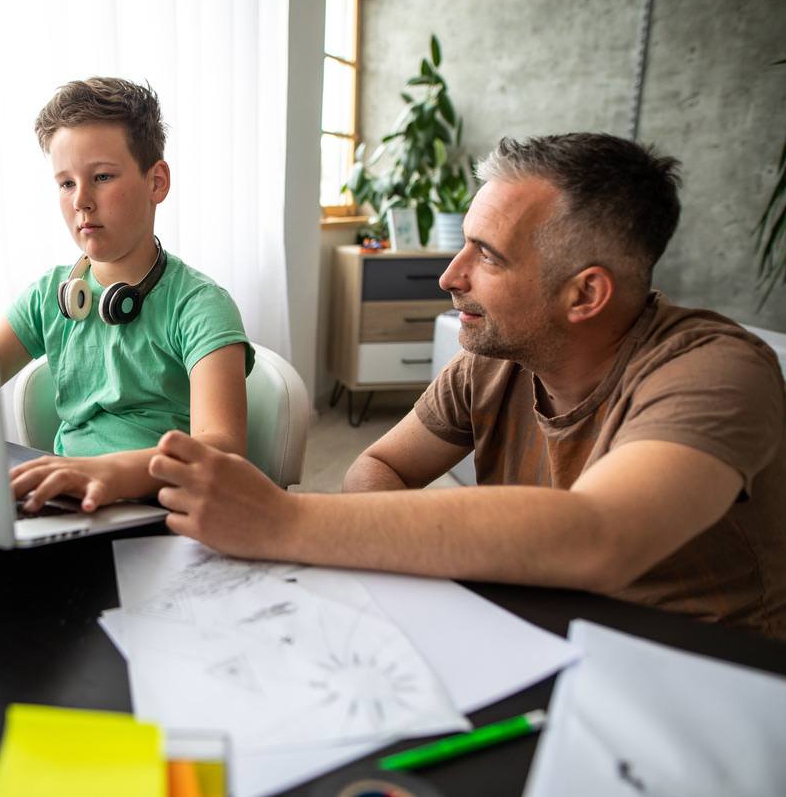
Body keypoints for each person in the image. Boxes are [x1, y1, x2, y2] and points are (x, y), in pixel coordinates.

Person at [148, 133, 786, 641]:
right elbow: (379, 464)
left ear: (586, 293)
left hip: (704, 671)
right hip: (532, 638)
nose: (450, 276)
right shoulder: (494, 358)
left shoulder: (718, 372)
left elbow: (598, 537)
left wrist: (282, 521)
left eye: (487, 254)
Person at [0, 77, 253, 514]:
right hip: (72, 501)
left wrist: (109, 473)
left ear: (156, 182)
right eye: (65, 183)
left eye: (101, 177)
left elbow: (222, 451)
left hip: (163, 506)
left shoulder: (200, 304)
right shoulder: (48, 295)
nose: (82, 201)